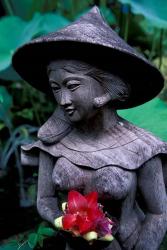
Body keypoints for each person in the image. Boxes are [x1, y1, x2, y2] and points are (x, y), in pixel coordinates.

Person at [12, 6, 167, 250]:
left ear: (104, 88)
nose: (62, 100)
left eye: (72, 86)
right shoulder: (53, 143)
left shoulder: (142, 148)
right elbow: (45, 199)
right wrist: (67, 223)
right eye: (55, 88)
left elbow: (158, 213)